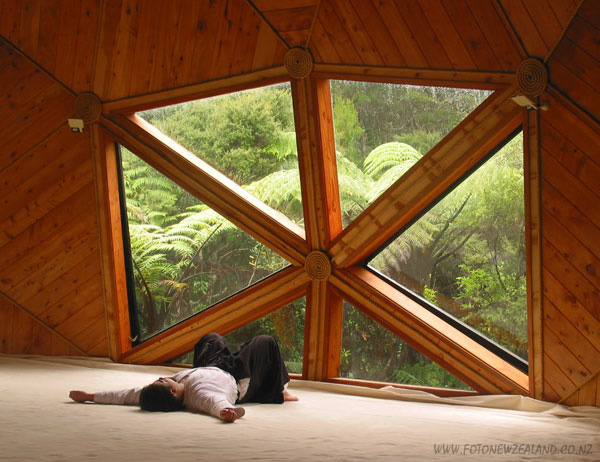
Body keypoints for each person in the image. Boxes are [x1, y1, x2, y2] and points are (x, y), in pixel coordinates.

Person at [69, 333, 298, 423]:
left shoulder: (173, 385)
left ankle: (224, 350)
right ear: (173, 392)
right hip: (234, 376)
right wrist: (226, 413)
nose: (161, 377)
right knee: (264, 342)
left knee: (212, 339)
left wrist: (91, 396)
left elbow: (127, 396)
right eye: (162, 381)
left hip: (212, 367)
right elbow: (215, 403)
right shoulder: (199, 395)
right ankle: (279, 389)